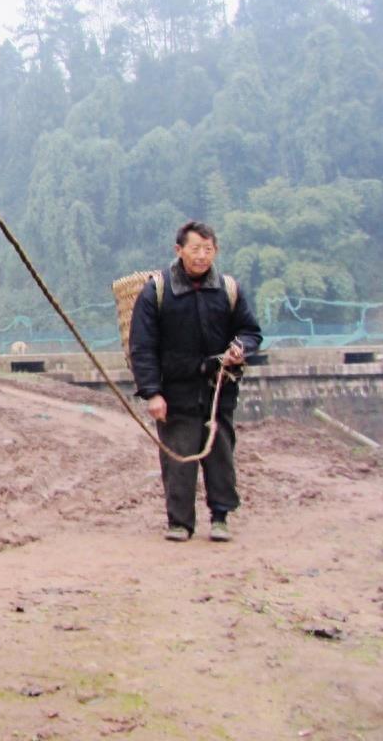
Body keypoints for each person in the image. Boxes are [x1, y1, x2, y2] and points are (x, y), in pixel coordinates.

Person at [129, 221, 263, 542]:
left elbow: (250, 331)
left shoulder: (229, 289)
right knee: (177, 456)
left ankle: (221, 516)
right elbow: (142, 346)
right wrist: (152, 393)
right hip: (175, 389)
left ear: (215, 251)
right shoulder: (157, 291)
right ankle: (180, 523)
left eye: (208, 249)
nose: (202, 256)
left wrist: (241, 348)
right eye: (195, 249)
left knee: (220, 453)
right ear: (179, 251)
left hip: (218, 387)